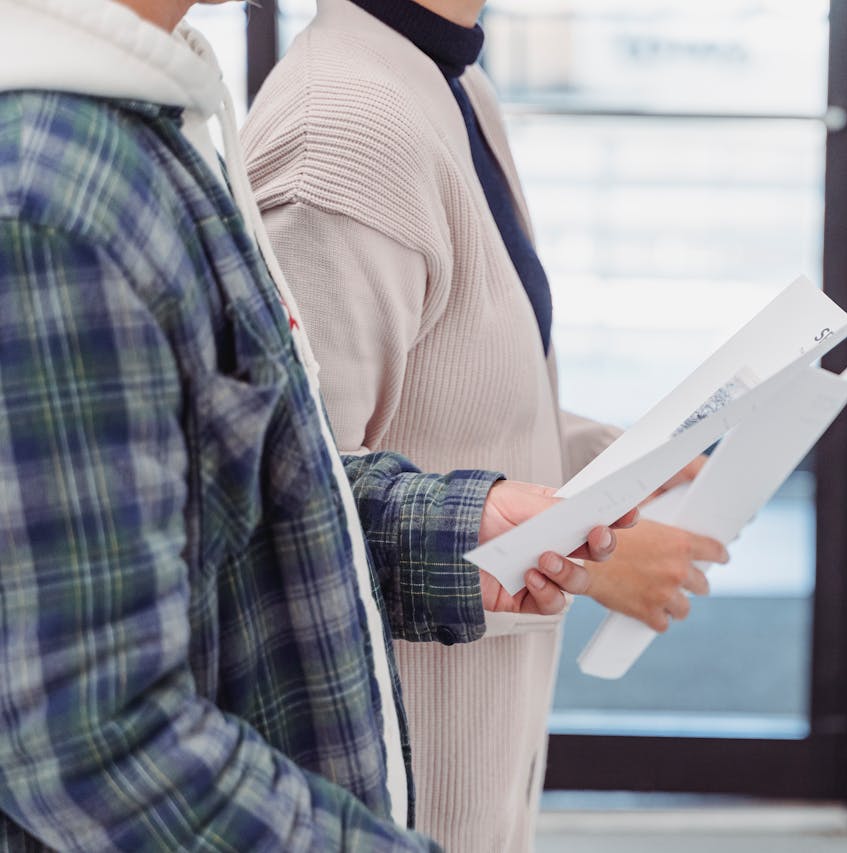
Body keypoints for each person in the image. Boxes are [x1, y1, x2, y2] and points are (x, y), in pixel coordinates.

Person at [0, 0, 633, 849]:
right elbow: (97, 748)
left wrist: (450, 530)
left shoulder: (139, 114)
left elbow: (252, 478)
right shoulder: (57, 204)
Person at [243, 1, 730, 850]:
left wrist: (607, 462)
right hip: (400, 772)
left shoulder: (450, 80)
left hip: (481, 733)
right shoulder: (344, 132)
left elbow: (461, 395)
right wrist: (589, 558)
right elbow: (293, 516)